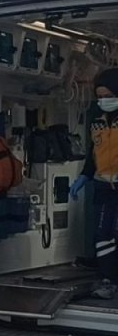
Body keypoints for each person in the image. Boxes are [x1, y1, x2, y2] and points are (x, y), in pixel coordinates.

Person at [72, 68, 118, 299]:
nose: (103, 101)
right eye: (99, 97)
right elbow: (94, 154)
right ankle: (109, 279)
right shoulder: (97, 122)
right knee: (102, 235)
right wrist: (84, 176)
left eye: (108, 95)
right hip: (103, 188)